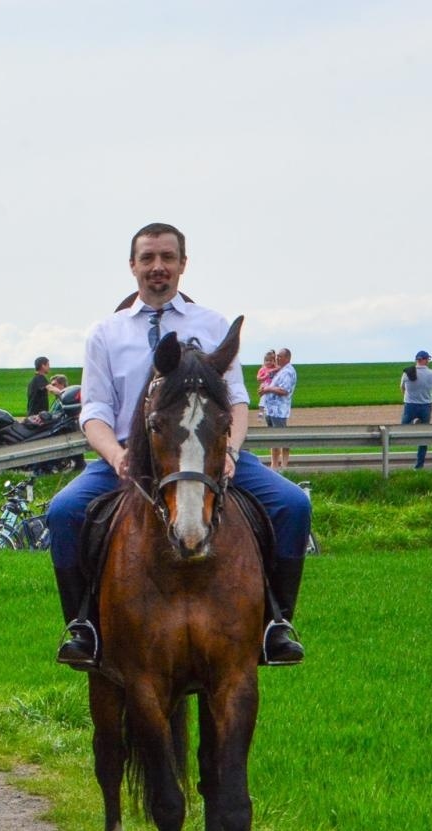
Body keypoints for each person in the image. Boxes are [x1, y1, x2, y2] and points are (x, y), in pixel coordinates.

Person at [47, 221, 309, 669]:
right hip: (131, 456)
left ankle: (276, 623)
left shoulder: (212, 324)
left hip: (206, 455)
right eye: (147, 258)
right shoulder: (106, 333)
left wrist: (229, 453)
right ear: (132, 266)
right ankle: (83, 626)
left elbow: (239, 401)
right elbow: (93, 411)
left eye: (167, 257)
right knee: (63, 512)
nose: (157, 267)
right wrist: (116, 456)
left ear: (183, 264)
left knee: (292, 504)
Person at [259, 347, 296, 472]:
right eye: (277, 356)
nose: (277, 358)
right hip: (271, 410)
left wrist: (268, 389)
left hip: (279, 411)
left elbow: (284, 390)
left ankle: (284, 466)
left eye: (280, 356)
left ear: (287, 358)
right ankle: (274, 465)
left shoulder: (288, 372)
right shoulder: (280, 371)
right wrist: (265, 389)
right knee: (273, 438)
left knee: (282, 437)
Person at [400, 349, 432, 470]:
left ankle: (413, 423)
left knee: (401, 430)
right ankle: (419, 466)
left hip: (410, 405)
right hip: (426, 405)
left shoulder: (407, 372)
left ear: (417, 360)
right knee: (424, 436)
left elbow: (402, 388)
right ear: (425, 360)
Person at [255, 350, 277, 422]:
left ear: (274, 361)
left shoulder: (275, 368)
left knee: (271, 401)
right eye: (266, 360)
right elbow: (258, 378)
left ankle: (270, 413)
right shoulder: (263, 369)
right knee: (263, 399)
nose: (268, 362)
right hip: (265, 386)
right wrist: (265, 376)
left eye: (271, 360)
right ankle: (261, 413)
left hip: (273, 386)